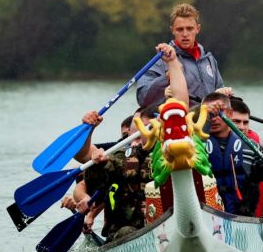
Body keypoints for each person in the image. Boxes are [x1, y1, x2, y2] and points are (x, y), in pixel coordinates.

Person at [62, 43, 191, 240]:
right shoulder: (118, 156)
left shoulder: (171, 152)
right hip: (124, 233)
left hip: (165, 227)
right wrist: (89, 131)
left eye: (145, 130)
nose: (137, 136)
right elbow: (82, 156)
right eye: (134, 132)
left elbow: (181, 105)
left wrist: (173, 62)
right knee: (127, 232)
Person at [135, 3, 225, 109]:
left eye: (189, 28)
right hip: (178, 121)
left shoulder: (209, 59)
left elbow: (220, 93)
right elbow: (142, 98)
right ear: (172, 30)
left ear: (197, 29)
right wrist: (166, 80)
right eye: (180, 29)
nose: (185, 34)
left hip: (208, 122)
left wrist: (223, 94)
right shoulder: (162, 58)